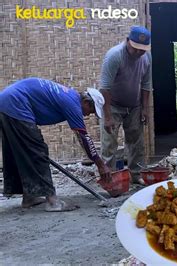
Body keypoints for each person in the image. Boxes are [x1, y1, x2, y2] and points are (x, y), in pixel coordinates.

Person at [0, 77, 111, 212]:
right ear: (86, 102)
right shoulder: (73, 104)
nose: (88, 115)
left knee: (19, 151)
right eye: (91, 111)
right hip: (15, 103)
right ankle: (53, 202)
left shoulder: (70, 96)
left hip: (7, 102)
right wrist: (101, 165)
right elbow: (84, 138)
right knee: (38, 151)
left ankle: (29, 197)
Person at [99, 25, 152, 185]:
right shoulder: (114, 56)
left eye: (142, 49)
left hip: (134, 106)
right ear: (127, 41)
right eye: (135, 48)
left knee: (136, 143)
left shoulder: (147, 58)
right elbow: (105, 87)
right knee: (109, 144)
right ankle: (110, 179)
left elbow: (146, 84)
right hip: (112, 105)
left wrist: (144, 109)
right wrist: (107, 116)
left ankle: (136, 176)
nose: (138, 52)